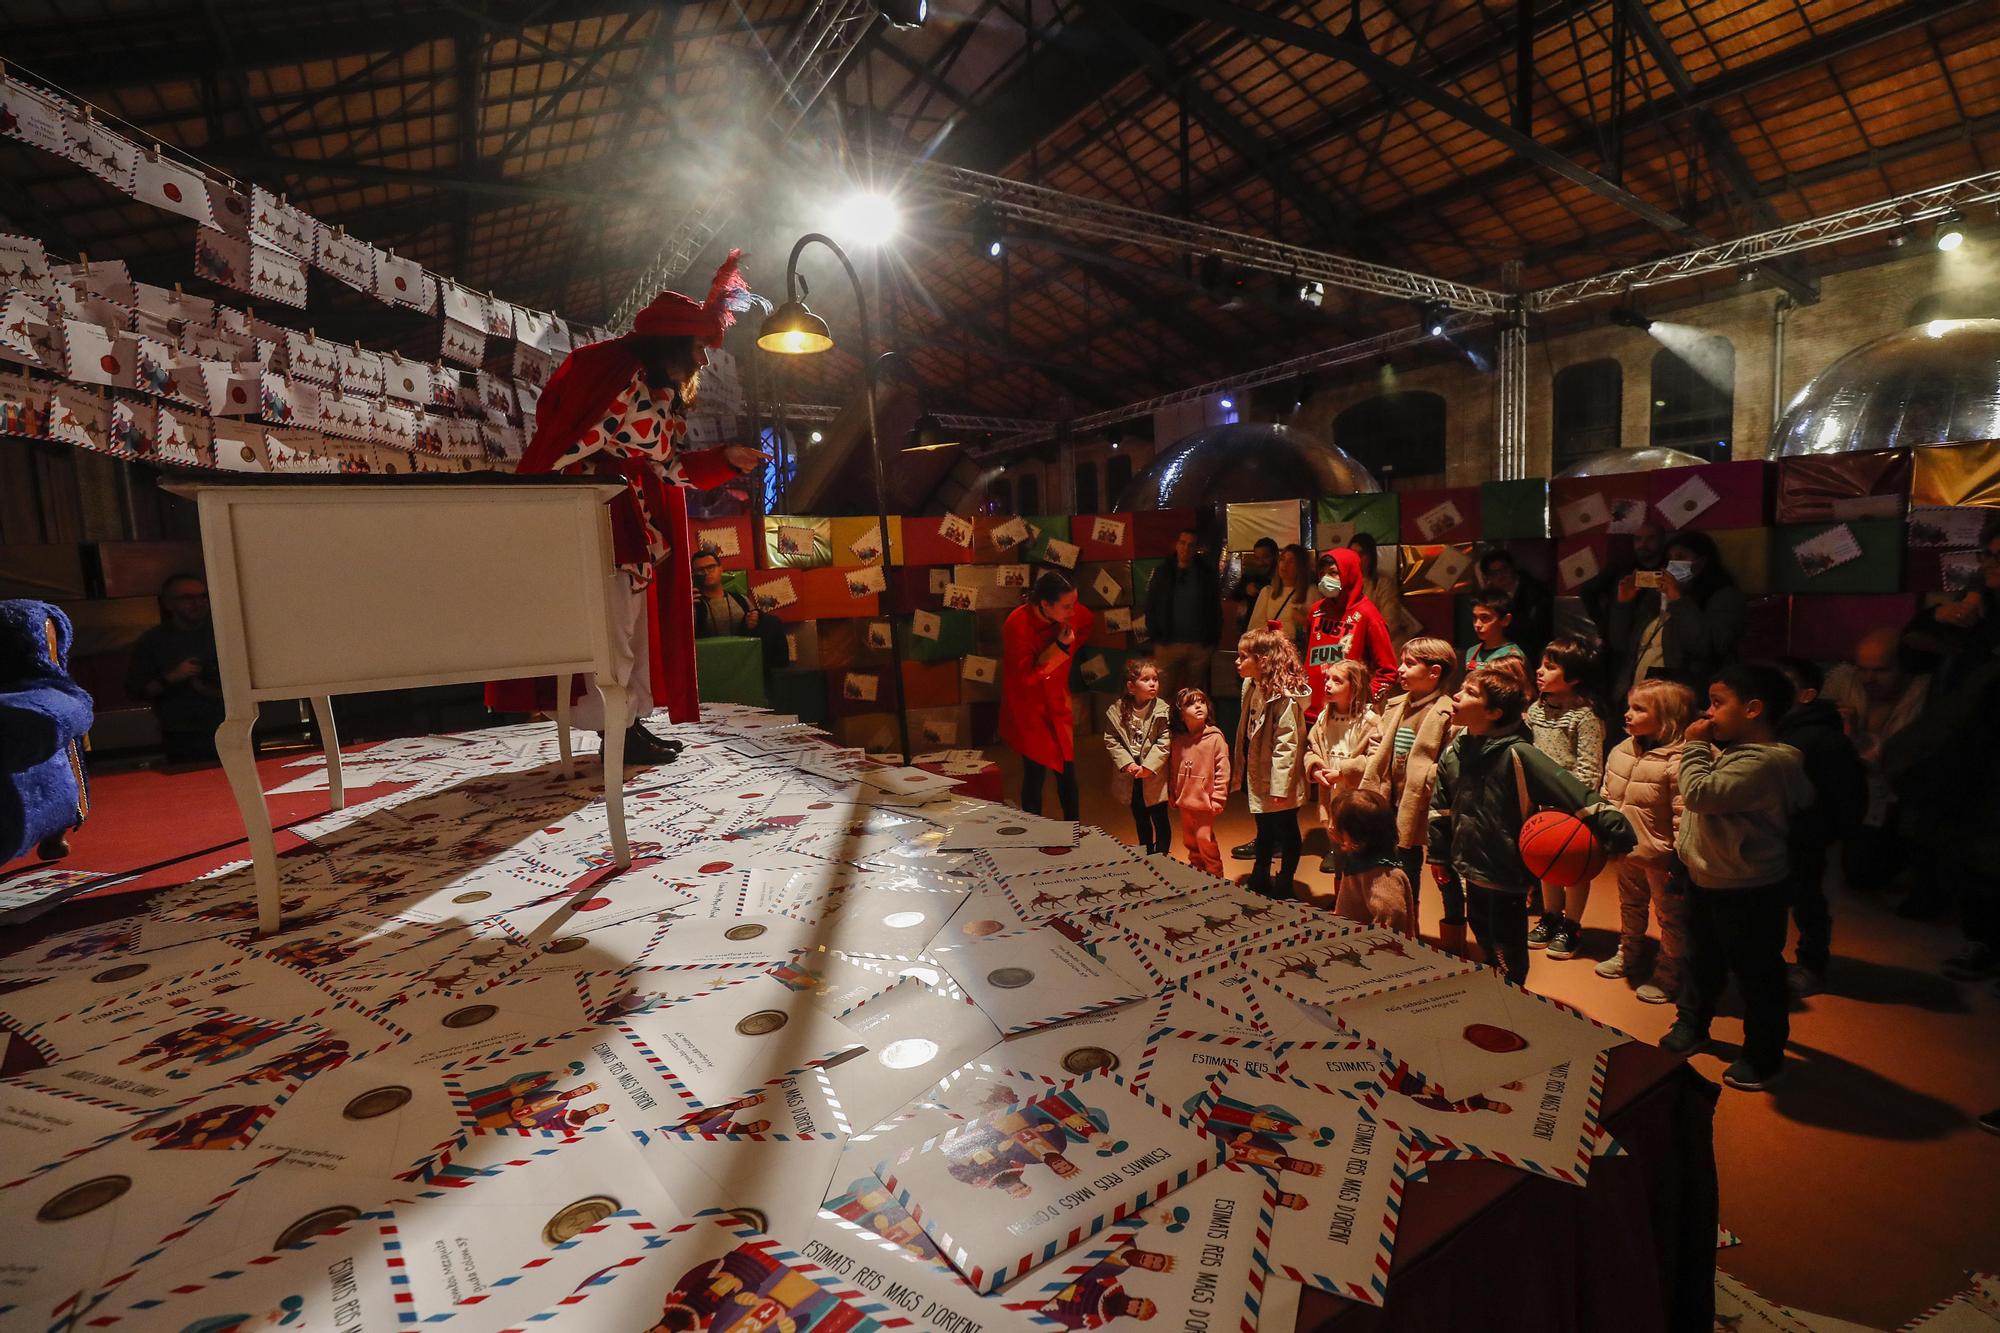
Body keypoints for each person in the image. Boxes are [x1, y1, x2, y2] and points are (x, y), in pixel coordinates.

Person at [488, 251, 769, 763]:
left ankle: (630, 725)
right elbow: (598, 448)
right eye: (699, 347)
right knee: (613, 630)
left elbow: (666, 465)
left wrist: (724, 459)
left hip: (630, 520)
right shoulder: (617, 376)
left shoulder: (650, 388)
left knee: (632, 629)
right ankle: (615, 731)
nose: (704, 360)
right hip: (599, 522)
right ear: (672, 343)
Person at [1427, 666, 1635, 987]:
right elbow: (1440, 810)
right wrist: (1439, 855)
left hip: (1507, 872)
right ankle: (1494, 981)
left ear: (1493, 712)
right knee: (1481, 929)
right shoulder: (1455, 752)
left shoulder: (1519, 754)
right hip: (1469, 865)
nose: (1456, 695)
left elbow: (1572, 791)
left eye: (1470, 693)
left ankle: (1513, 993)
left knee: (1509, 944)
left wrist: (1613, 827)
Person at [1659, 663, 1813, 1092]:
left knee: (1757, 972)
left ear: (1753, 709)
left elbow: (1701, 795)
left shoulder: (1766, 762)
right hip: (1707, 880)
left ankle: (1763, 1055)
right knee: (1700, 958)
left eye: (1716, 703)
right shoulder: (1730, 754)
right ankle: (1692, 1023)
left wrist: (1692, 748)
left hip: (1749, 888)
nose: (1707, 714)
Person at [1356, 638, 1460, 949]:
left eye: (1410, 663)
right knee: (1402, 870)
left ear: (1434, 672)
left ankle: (1454, 940)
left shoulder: (1448, 713)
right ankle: (1405, 933)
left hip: (1432, 809)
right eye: (1402, 661)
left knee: (1446, 873)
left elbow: (1450, 764)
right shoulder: (1396, 706)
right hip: (1395, 806)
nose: (1400, 669)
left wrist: (1423, 779)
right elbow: (1376, 748)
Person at [1774, 657, 1868, 996]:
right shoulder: (1775, 728)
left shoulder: (1824, 739)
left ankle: (1812, 964)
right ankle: (1771, 961)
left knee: (1807, 900)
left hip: (1805, 836)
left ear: (1807, 694)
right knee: (1773, 900)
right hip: (1773, 834)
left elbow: (1848, 793)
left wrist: (1835, 834)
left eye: (1782, 686)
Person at [1597, 678, 1693, 1004]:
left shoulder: (1679, 761)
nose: (1627, 714)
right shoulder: (1621, 750)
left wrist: (1680, 859)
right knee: (1630, 903)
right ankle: (1630, 950)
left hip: (1662, 857)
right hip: (1628, 849)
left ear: (1667, 717)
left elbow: (1684, 816)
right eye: (1629, 706)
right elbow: (1608, 796)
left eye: (1639, 709)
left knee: (1670, 916)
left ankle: (1670, 969)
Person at [1820, 625, 1929, 895]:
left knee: (1865, 874)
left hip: (1902, 797)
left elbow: (1903, 760)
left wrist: (1856, 737)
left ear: (1904, 666)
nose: (1869, 678)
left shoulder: (1923, 693)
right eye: (1863, 668)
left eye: (1881, 670)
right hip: (1848, 793)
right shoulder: (1844, 682)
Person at [1524, 635, 1608, 961]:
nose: (1540, 672)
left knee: (1573, 867)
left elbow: (1590, 767)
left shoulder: (1584, 716)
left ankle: (1571, 924)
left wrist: (1576, 803)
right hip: (1542, 804)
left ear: (1573, 678)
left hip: (1574, 806)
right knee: (1546, 863)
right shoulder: (1535, 709)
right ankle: (1550, 916)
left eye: (1551, 667)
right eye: (1541, 665)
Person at [1607, 526, 1747, 700]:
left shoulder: (1724, 597)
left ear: (1702, 562)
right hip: (1638, 694)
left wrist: (1678, 600)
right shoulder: (1654, 597)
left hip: (1682, 698)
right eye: (1669, 559)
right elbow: (1620, 643)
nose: (1672, 564)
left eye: (1680, 557)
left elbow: (1705, 647)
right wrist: (1624, 604)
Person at [1001, 570, 1095, 821]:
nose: (1073, 611)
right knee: (1034, 773)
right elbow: (1025, 679)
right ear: (1044, 604)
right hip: (1029, 710)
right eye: (1066, 606)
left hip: (1057, 704)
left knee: (1068, 771)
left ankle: (1074, 833)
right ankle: (1034, 835)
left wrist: (1069, 650)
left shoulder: (1067, 613)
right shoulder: (1017, 624)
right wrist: (1060, 649)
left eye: (1073, 603)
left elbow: (1086, 621)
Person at [1231, 628, 1312, 899]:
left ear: (1263, 660)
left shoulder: (1285, 697)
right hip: (1258, 770)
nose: (1237, 662)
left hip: (1280, 779)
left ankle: (1286, 879)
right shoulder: (1250, 686)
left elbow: (1287, 744)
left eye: (1244, 657)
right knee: (1264, 827)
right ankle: (1260, 873)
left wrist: (1280, 787)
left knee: (1287, 828)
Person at [126, 573, 225, 764]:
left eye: (202, 596)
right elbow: (136, 690)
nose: (198, 603)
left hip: (233, 727)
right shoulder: (153, 641)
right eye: (188, 598)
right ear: (168, 604)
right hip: (183, 735)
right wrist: (172, 677)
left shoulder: (225, 634)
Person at [1303, 658, 1380, 870]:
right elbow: (1311, 748)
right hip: (1331, 791)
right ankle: (1341, 900)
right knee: (1337, 845)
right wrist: (1316, 768)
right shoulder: (1323, 718)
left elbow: (1375, 758)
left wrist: (1343, 772)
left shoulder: (1370, 720)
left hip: (1356, 794)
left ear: (1354, 687)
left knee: (1358, 850)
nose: (1327, 684)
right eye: (1327, 679)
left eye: (1337, 681)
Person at [1304, 546, 1397, 713]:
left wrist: (1364, 700)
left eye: (1333, 573)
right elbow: (1308, 655)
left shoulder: (1368, 615)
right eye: (1322, 573)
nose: (1326, 578)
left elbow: (1388, 671)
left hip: (1347, 716)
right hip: (1311, 711)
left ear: (1349, 573)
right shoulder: (1316, 611)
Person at [1321, 788, 1415, 934]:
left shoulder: (1381, 875)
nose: (1332, 828)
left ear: (1356, 836)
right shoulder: (1361, 862)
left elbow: (1392, 912)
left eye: (1339, 826)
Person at [1144, 528, 1221, 703]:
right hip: (1168, 644)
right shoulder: (1163, 572)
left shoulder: (1205, 574)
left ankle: (1192, 729)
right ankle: (1162, 728)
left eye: (1191, 545)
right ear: (1177, 545)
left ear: (1196, 549)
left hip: (1199, 644)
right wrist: (1155, 637)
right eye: (1183, 543)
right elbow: (1151, 605)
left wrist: (1211, 640)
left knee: (1194, 697)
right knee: (1162, 694)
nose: (1186, 548)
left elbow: (1215, 608)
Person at [1104, 658, 1172, 855]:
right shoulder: (1117, 711)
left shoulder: (1162, 711)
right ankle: (1147, 855)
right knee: (1141, 819)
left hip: (1154, 775)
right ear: (1131, 687)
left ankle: (1162, 857)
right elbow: (1112, 740)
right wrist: (1127, 764)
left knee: (1160, 819)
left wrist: (1149, 767)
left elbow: (1164, 741)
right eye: (1146, 679)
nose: (1153, 683)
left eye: (1155, 679)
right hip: (1131, 776)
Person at [1170, 687, 1230, 875]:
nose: (1198, 706)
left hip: (1205, 802)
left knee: (1204, 838)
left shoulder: (1215, 738)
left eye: (1202, 702)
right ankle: (1197, 870)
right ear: (1180, 714)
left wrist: (1218, 797)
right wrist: (1173, 792)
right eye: (1190, 703)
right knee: (1189, 840)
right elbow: (1173, 768)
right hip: (1185, 801)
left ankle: (1215, 873)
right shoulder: (1178, 740)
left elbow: (1222, 770)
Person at [1477, 547, 1553, 662]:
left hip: (1532, 652)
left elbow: (1537, 630)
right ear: (1488, 578)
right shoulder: (1488, 598)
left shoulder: (1535, 591)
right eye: (1494, 573)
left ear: (1513, 568)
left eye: (1504, 569)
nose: (1501, 575)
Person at [1349, 533, 1420, 652]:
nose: (1356, 558)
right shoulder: (1343, 584)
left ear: (1371, 556)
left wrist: (1365, 639)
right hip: (1352, 644)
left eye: (1361, 554)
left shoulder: (1383, 582)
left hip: (1384, 643)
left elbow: (1390, 620)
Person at [1248, 543, 1311, 649]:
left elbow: (1318, 632)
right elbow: (1254, 628)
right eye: (1282, 559)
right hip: (1272, 651)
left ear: (1301, 566)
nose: (1284, 565)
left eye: (1291, 561)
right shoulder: (1268, 592)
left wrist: (1303, 622)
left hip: (1297, 652)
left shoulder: (1310, 592)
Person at [690, 549, 758, 638]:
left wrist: (754, 622)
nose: (706, 572)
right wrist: (688, 612)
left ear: (721, 569)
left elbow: (756, 633)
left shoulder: (741, 599)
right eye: (700, 570)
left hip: (741, 650)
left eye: (711, 567)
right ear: (693, 574)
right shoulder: (694, 603)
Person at [1463, 589, 1524, 674]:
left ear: (1505, 620)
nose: (1477, 624)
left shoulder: (1512, 656)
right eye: (1475, 618)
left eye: (1485, 618)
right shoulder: (1472, 652)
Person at [1230, 537, 1281, 621]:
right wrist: (1246, 589)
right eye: (1257, 558)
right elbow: (1234, 595)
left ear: (1276, 556)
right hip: (1254, 626)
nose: (1261, 562)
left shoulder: (1284, 577)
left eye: (1265, 557)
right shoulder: (1251, 576)